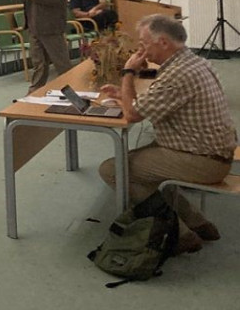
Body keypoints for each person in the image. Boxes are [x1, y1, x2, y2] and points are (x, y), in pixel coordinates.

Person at [98, 14, 237, 255]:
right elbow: (153, 102)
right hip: (210, 151)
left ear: (163, 42)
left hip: (203, 160)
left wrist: (128, 73)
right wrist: (124, 95)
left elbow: (132, 115)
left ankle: (180, 235)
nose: (141, 49)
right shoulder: (193, 61)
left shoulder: (177, 75)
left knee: (113, 169)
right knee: (149, 168)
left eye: (144, 43)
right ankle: (197, 223)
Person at [6, 0, 70, 92]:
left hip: (50, 28)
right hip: (35, 27)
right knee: (38, 65)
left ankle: (76, 94)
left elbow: (60, 0)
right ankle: (33, 95)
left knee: (62, 65)